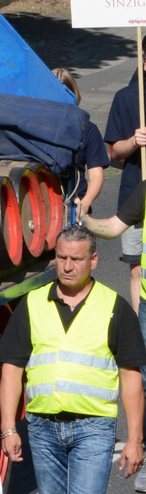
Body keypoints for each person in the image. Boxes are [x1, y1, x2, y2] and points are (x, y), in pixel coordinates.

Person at [0, 224, 146, 494]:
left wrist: (135, 440)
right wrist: (10, 427)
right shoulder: (32, 305)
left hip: (93, 429)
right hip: (43, 428)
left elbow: (132, 377)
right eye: (61, 257)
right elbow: (11, 368)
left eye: (76, 259)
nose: (66, 265)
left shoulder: (114, 307)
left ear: (93, 261)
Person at [101, 56, 146, 312]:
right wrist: (134, 142)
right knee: (137, 269)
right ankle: (143, 331)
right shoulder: (126, 97)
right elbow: (116, 152)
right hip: (135, 194)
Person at [51, 68, 109, 219]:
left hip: (76, 205)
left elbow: (96, 175)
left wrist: (86, 202)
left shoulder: (88, 129)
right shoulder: (36, 127)